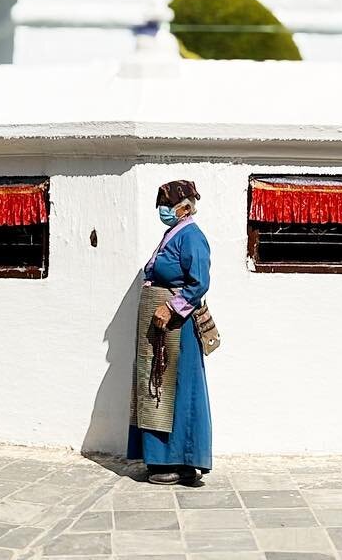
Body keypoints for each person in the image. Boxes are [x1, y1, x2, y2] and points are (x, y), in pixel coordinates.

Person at [127, 178, 212, 485]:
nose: (162, 211)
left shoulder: (191, 237)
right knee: (157, 385)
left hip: (178, 328)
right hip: (160, 326)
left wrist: (170, 307)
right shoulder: (173, 234)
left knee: (178, 389)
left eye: (166, 206)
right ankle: (163, 460)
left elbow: (198, 282)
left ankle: (183, 461)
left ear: (184, 207)